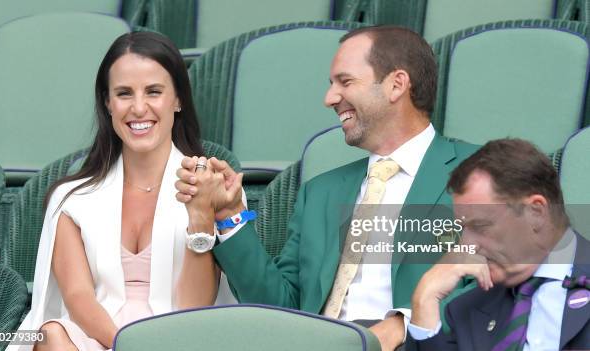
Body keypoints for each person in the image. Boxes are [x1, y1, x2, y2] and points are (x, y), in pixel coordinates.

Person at [176, 25, 479, 350]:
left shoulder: (481, 172)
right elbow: (278, 308)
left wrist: (404, 323)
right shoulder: (319, 192)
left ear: (396, 84)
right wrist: (229, 215)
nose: (329, 98)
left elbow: (514, 284)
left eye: (345, 82)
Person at [9, 31, 236, 351]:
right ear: (108, 102)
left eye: (154, 91)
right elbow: (78, 298)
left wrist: (200, 218)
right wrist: (126, 344)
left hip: (179, 342)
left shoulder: (205, 184)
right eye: (124, 93)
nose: (139, 108)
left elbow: (193, 309)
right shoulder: (71, 199)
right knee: (50, 335)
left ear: (178, 99)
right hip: (100, 339)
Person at [406, 138, 590, 350]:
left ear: (536, 212)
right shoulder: (466, 309)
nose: (467, 246)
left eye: (480, 226)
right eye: (463, 229)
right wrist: (424, 300)